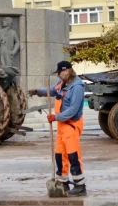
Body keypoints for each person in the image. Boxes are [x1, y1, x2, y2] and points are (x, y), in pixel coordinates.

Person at [36, 61, 86, 196]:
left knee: (73, 155)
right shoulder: (62, 84)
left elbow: (73, 109)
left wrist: (56, 117)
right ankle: (63, 182)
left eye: (59, 72)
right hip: (62, 127)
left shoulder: (77, 87)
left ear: (67, 71)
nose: (58, 75)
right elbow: (51, 90)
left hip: (71, 125)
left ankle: (80, 186)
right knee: (59, 154)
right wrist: (37, 92)